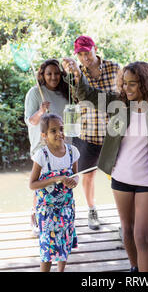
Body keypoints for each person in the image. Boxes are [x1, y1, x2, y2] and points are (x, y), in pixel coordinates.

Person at [62, 60, 148, 272]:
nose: (126, 88)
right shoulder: (118, 104)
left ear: (145, 84)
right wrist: (77, 73)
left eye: (132, 84)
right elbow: (88, 95)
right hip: (120, 178)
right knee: (127, 229)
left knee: (142, 236)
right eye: (124, 83)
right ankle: (135, 268)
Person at [64, 35, 120, 230]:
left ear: (94, 48)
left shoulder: (114, 68)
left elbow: (123, 96)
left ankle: (123, 213)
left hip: (113, 134)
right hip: (87, 133)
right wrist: (74, 74)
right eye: (79, 54)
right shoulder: (76, 72)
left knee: (119, 174)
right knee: (88, 175)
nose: (84, 57)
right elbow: (75, 99)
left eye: (86, 52)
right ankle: (91, 210)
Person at [24, 58, 70, 236]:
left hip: (62, 143)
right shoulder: (35, 93)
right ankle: (35, 215)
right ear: (42, 75)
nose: (53, 77)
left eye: (57, 73)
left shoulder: (65, 93)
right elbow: (31, 121)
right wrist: (41, 111)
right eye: (49, 73)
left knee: (60, 181)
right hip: (42, 145)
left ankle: (58, 215)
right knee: (41, 182)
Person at [28, 113, 80, 272]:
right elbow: (32, 184)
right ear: (44, 136)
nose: (59, 133)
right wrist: (57, 178)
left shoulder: (73, 152)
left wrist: (74, 181)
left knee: (64, 243)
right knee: (48, 249)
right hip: (47, 210)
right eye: (53, 131)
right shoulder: (41, 155)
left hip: (66, 208)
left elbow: (76, 175)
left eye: (61, 129)